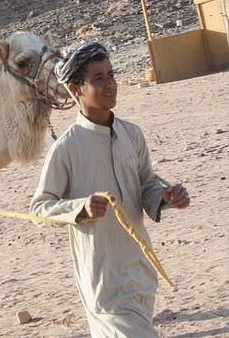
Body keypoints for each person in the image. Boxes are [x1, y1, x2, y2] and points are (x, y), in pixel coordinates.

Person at [30, 42, 190, 337]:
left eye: (111, 74)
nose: (110, 84)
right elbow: (39, 209)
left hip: (141, 274)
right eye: (98, 78)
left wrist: (166, 198)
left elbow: (146, 187)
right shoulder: (66, 149)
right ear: (76, 89)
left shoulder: (132, 134)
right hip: (104, 284)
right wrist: (80, 208)